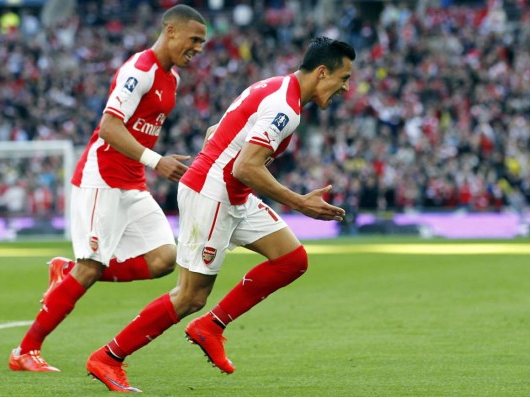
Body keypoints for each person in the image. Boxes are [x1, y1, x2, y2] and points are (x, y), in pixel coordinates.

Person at [85, 36, 356, 392]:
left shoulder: (273, 86)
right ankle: (109, 357)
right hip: (213, 193)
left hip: (228, 190)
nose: (346, 88)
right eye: (344, 78)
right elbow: (246, 167)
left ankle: (210, 326)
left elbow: (218, 131)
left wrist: (216, 162)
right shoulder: (285, 108)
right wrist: (299, 202)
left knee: (292, 259)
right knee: (189, 296)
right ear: (322, 72)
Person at [8, 5, 207, 376]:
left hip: (132, 180)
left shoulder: (172, 79)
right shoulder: (140, 70)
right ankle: (26, 349)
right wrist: (156, 160)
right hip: (103, 177)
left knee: (165, 258)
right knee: (91, 267)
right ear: (171, 31)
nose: (198, 47)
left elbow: (139, 129)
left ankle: (68, 271)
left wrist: (153, 159)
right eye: (194, 39)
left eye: (202, 42)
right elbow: (109, 128)